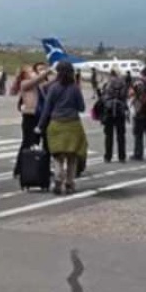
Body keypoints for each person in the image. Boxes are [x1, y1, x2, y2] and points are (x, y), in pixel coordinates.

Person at [37, 62, 87, 195]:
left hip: (56, 124)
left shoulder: (53, 88)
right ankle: (70, 183)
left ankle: (58, 180)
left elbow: (47, 109)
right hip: (73, 124)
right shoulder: (75, 88)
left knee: (58, 156)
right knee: (72, 157)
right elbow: (82, 107)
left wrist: (40, 126)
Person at [100, 68, 128, 162]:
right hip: (120, 110)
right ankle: (122, 156)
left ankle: (108, 156)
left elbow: (102, 97)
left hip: (109, 110)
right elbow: (124, 96)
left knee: (108, 135)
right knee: (121, 135)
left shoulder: (106, 83)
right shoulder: (123, 83)